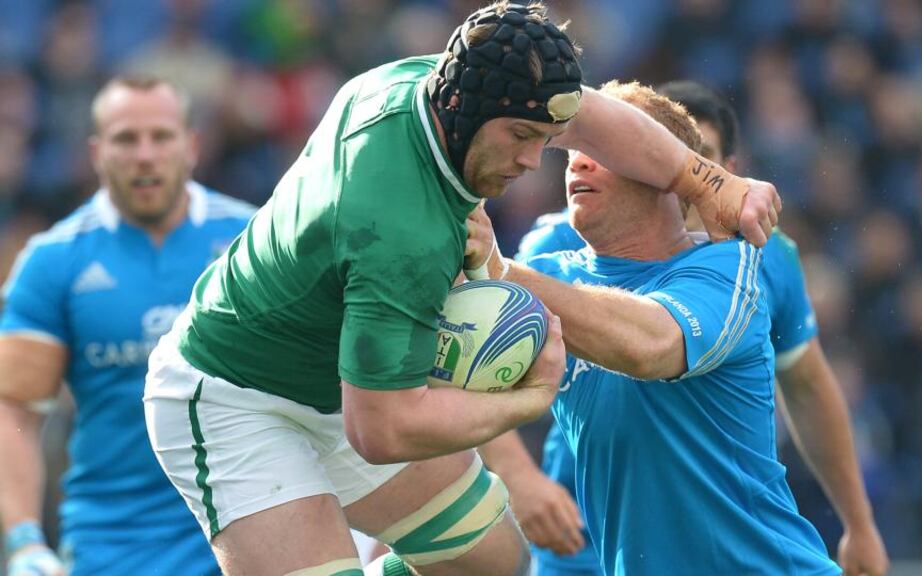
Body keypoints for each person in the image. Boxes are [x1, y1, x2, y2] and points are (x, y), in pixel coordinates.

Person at [142, 2, 781, 575]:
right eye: (524, 140)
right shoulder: (399, 230)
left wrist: (708, 184)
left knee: (496, 564)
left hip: (340, 381)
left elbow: (592, 118)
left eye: (545, 139)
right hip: (236, 396)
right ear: (473, 112)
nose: (536, 162)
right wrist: (526, 402)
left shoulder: (430, 80)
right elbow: (382, 431)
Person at [467, 80, 839, 575]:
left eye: (600, 150)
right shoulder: (548, 272)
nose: (576, 162)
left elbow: (650, 345)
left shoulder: (730, 269)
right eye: (572, 151)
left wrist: (498, 273)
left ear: (666, 171)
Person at [0, 76, 254, 575]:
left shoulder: (253, 244)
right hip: (108, 548)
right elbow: (13, 412)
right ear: (97, 152)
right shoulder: (54, 261)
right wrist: (25, 541)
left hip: (246, 534)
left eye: (161, 137)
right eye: (125, 139)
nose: (144, 155)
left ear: (192, 145)